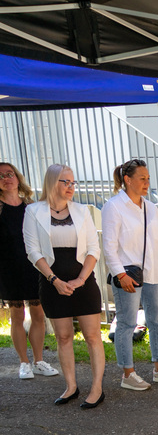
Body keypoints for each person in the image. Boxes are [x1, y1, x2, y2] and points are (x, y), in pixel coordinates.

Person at [23, 164, 106, 407]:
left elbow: (93, 249)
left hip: (84, 281)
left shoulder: (82, 210)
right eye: (65, 182)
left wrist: (81, 279)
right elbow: (33, 251)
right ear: (52, 182)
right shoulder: (33, 211)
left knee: (93, 336)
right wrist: (54, 280)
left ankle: (97, 388)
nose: (71, 187)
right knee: (63, 336)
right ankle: (71, 386)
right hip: (51, 282)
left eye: (73, 182)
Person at [102, 158, 158, 396]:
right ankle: (128, 374)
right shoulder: (113, 207)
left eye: (148, 178)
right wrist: (120, 274)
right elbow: (109, 246)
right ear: (127, 179)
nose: (147, 182)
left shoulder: (150, 207)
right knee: (126, 324)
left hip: (154, 273)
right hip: (128, 275)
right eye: (142, 178)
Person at [0, 161, 58, 380]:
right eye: (0, 176)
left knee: (38, 314)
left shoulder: (31, 206)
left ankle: (39, 361)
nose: (6, 179)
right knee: (17, 315)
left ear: (17, 177)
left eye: (9, 174)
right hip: (8, 268)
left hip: (34, 265)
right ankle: (24, 363)